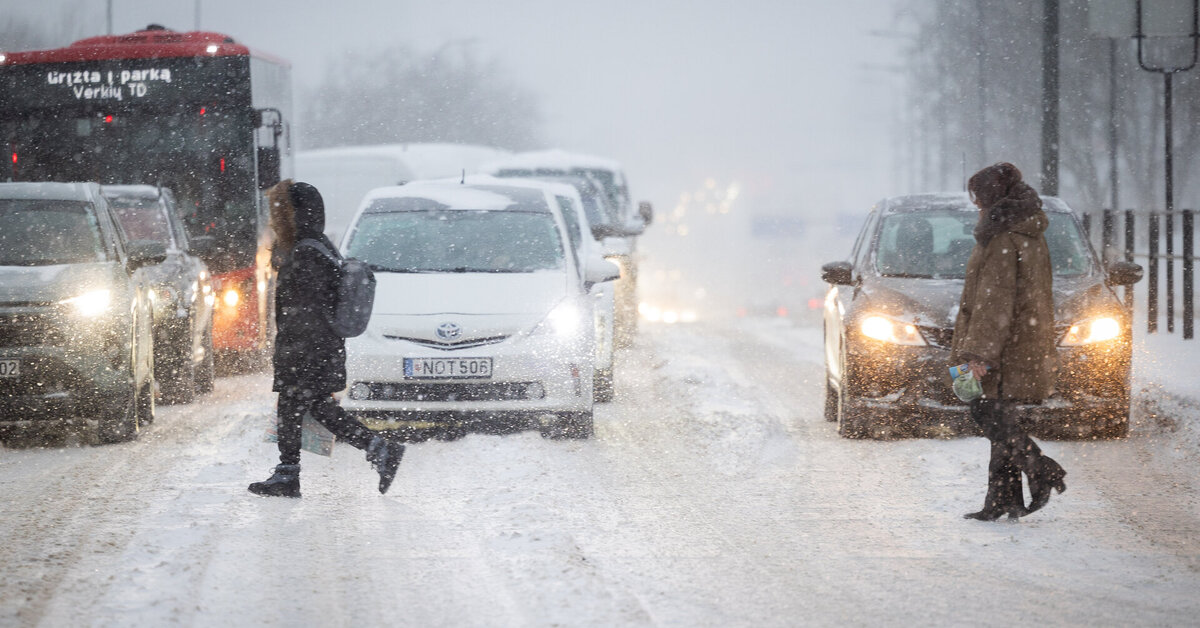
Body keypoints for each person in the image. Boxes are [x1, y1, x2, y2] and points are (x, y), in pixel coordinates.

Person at [248, 180, 405, 498]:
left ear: (296, 214)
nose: (274, 220)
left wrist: (296, 351)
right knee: (309, 407)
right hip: (313, 348)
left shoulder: (308, 253)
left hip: (309, 349)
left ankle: (293, 473)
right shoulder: (313, 245)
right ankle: (374, 449)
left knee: (302, 406)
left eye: (280, 212)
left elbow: (307, 310)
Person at [951, 162, 1067, 521]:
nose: (975, 205)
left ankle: (1040, 469)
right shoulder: (1029, 231)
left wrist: (979, 354)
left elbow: (994, 302)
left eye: (978, 197)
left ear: (991, 197)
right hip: (1024, 343)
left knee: (987, 414)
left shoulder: (1002, 238)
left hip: (1003, 346)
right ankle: (1003, 500)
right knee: (1000, 422)